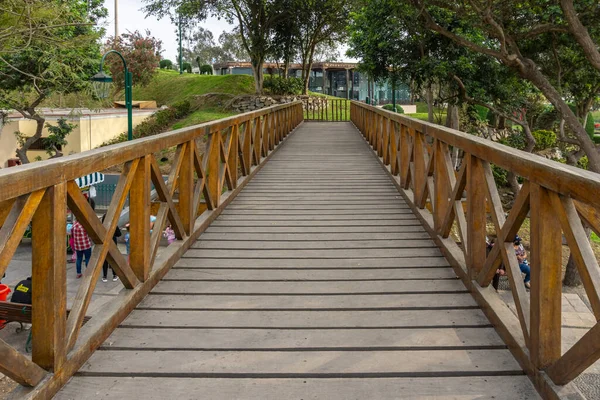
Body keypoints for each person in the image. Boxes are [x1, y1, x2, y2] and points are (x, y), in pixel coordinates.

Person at [101, 214, 121, 283]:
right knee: (113, 260)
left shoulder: (101, 226)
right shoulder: (114, 225)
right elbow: (119, 234)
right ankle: (114, 275)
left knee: (105, 261)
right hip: (112, 245)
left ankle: (104, 276)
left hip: (104, 245)